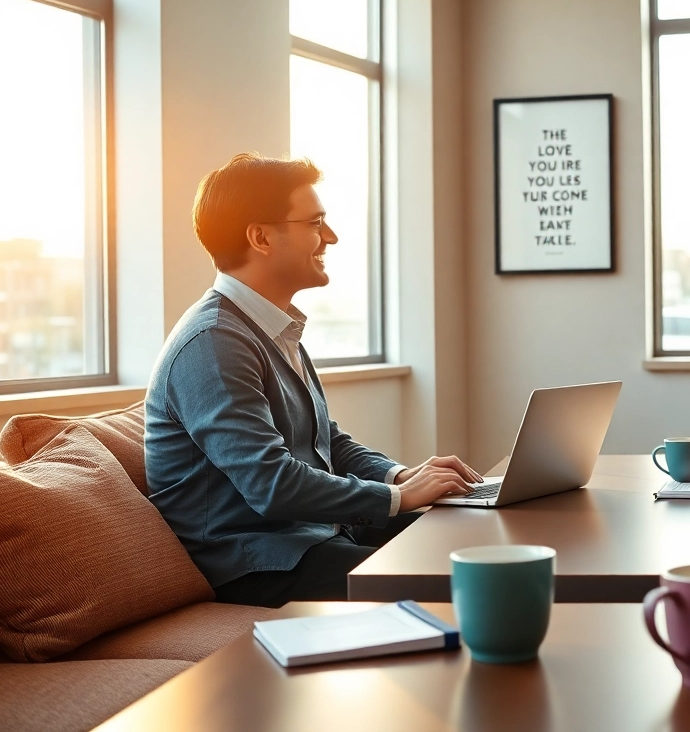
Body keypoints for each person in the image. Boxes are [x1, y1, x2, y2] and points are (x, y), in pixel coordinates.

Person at [146, 153, 483, 607]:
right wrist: (398, 497)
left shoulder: (269, 326)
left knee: (467, 538)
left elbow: (328, 442)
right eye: (316, 222)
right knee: (447, 583)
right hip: (254, 563)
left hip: (306, 538)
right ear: (261, 237)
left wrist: (403, 475)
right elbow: (272, 485)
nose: (332, 237)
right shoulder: (213, 343)